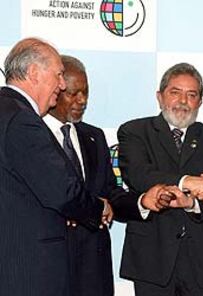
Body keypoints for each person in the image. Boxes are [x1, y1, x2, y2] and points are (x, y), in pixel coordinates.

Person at [0, 39, 108, 296]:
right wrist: (98, 208)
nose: (61, 85)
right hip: (29, 268)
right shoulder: (22, 120)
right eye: (59, 75)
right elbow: (62, 191)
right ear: (34, 73)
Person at [116, 62, 203, 296]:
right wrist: (188, 181)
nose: (183, 101)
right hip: (152, 261)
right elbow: (138, 175)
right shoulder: (134, 132)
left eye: (191, 95)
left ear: (200, 101)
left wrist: (193, 204)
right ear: (160, 97)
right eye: (175, 92)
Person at [43, 55, 136, 296]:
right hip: (49, 264)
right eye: (73, 93)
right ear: (55, 90)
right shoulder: (33, 136)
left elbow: (110, 191)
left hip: (93, 269)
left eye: (85, 92)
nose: (82, 100)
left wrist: (141, 202)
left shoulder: (94, 137)